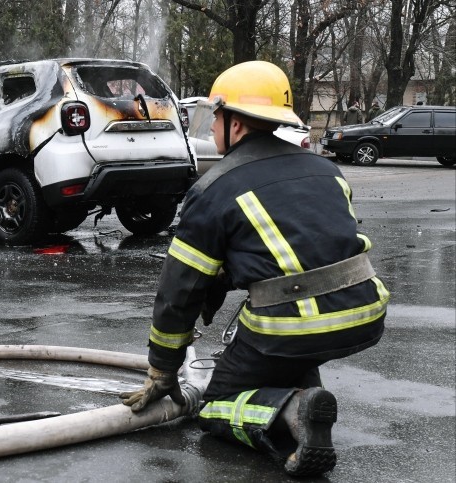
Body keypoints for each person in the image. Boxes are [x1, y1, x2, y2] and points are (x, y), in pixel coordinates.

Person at [120, 61, 389, 477]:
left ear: (238, 124)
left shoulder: (214, 189)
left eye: (217, 118)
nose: (211, 129)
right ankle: (307, 392)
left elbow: (179, 292)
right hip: (366, 313)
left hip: (293, 327)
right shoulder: (326, 169)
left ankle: (293, 410)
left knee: (215, 408)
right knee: (289, 338)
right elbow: (307, 250)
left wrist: (163, 369)